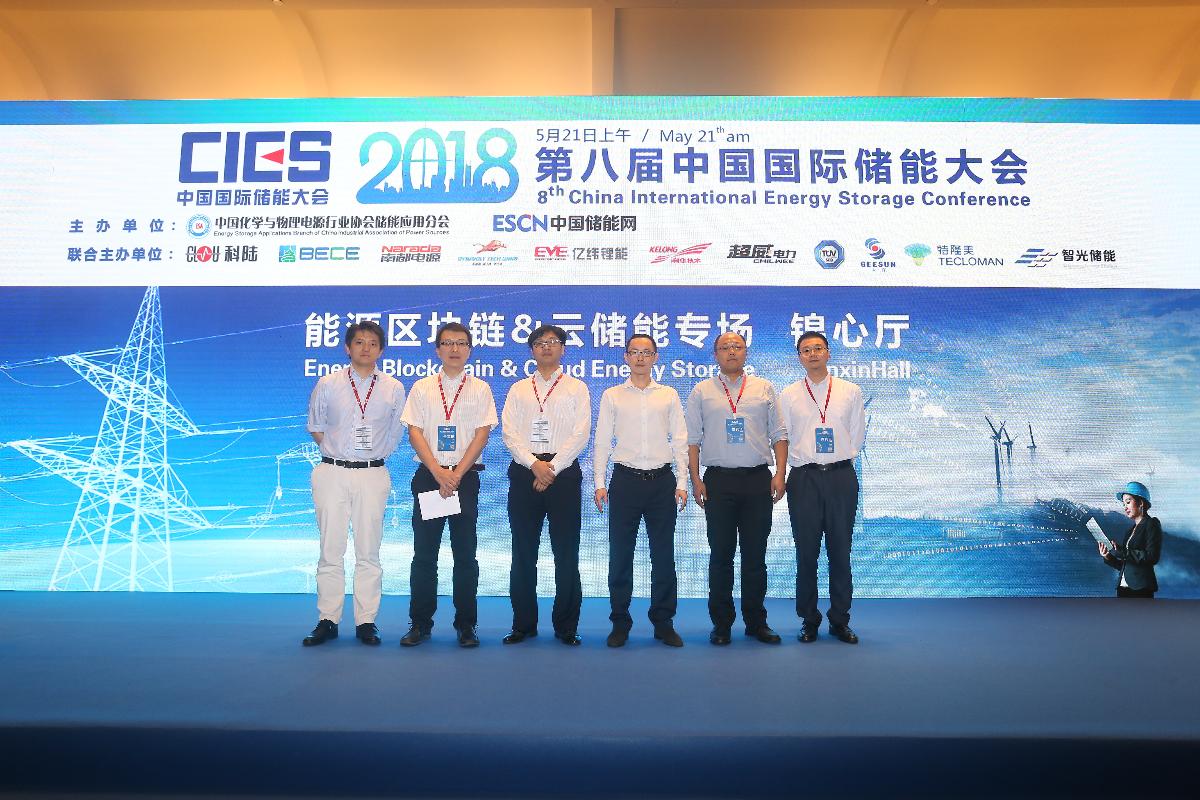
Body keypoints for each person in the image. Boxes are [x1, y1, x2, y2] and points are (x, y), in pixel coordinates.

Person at [303, 320, 407, 647]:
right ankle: (328, 619)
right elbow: (316, 426)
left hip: (372, 474)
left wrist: (371, 456)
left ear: (381, 350)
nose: (366, 348)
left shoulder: (393, 388)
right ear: (347, 348)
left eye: (373, 343)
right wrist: (338, 453)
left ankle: (366, 621)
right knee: (330, 550)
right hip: (332, 472)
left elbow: (395, 432)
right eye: (359, 342)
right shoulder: (328, 383)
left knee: (368, 551)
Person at [398, 322, 497, 647]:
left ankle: (466, 625)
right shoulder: (422, 388)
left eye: (461, 343)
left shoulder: (480, 389)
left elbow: (482, 434)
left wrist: (455, 474)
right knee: (424, 555)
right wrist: (439, 471)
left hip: (464, 478)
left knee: (465, 556)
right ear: (437, 349)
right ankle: (420, 624)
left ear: (470, 350)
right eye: (448, 343)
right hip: (430, 477)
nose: (455, 349)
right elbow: (414, 431)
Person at [686, 331, 788, 646]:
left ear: (746, 352)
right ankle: (721, 624)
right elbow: (692, 440)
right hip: (718, 481)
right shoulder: (701, 391)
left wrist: (780, 472)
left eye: (737, 346)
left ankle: (756, 622)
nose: (731, 351)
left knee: (755, 557)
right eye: (724, 347)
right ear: (715, 354)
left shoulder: (764, 388)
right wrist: (695, 479)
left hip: (758, 480)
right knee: (721, 556)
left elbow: (779, 433)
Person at [594, 334, 689, 647]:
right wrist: (599, 482)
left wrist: (682, 482)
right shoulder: (612, 395)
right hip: (625, 482)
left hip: (662, 483)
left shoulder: (669, 395)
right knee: (620, 556)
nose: (640, 358)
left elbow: (680, 440)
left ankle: (663, 622)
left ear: (655, 357)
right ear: (625, 357)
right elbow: (602, 441)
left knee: (663, 557)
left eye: (646, 352)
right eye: (634, 352)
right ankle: (620, 622)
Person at [501, 325, 591, 646]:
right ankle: (523, 624)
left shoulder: (577, 388)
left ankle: (566, 626)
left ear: (563, 349)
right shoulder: (518, 389)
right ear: (532, 350)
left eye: (553, 342)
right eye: (540, 343)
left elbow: (581, 433)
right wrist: (534, 465)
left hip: (563, 475)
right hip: (525, 473)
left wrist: (551, 468)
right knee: (523, 552)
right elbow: (509, 433)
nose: (547, 347)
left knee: (566, 553)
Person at [780, 331, 866, 644]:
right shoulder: (789, 394)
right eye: (806, 350)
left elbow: (857, 435)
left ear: (828, 353)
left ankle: (840, 620)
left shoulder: (849, 391)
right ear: (799, 357)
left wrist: (838, 457)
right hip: (804, 478)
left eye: (818, 348)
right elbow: (784, 435)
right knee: (807, 552)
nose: (813, 354)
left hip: (841, 477)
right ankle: (809, 619)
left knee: (840, 551)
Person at [1098, 481, 1162, 598]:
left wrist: (1123, 551)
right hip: (1122, 589)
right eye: (1123, 504)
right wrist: (1108, 556)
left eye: (1128, 502)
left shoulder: (1152, 523)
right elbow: (1126, 566)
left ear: (1141, 502)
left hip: (1141, 589)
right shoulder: (1130, 531)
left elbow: (1152, 556)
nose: (1125, 507)